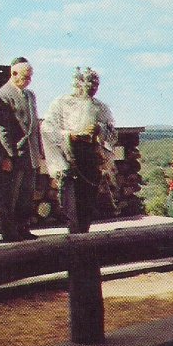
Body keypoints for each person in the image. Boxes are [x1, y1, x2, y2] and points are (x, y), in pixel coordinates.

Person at [41, 67, 117, 234]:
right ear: (79, 83)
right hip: (70, 156)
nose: (92, 88)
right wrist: (71, 136)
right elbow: (47, 129)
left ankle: (84, 234)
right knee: (72, 205)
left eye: (96, 85)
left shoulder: (100, 107)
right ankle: (75, 238)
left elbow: (112, 132)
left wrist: (100, 129)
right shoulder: (61, 103)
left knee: (87, 203)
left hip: (91, 157)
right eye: (89, 84)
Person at [0, 57, 42, 242]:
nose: (28, 80)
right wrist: (7, 156)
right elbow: (2, 129)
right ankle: (9, 230)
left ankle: (23, 226)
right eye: (25, 77)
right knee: (10, 195)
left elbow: (34, 125)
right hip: (15, 154)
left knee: (26, 195)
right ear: (13, 74)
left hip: (30, 153)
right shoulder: (1, 95)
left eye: (30, 77)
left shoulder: (30, 95)